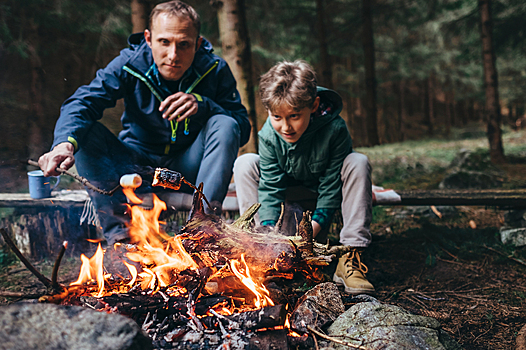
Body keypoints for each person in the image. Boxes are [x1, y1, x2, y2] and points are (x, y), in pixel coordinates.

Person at [38, 1, 250, 246]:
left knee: (225, 123)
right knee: (84, 132)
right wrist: (64, 144)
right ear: (148, 38)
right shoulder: (130, 64)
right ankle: (121, 241)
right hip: (134, 168)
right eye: (164, 42)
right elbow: (82, 102)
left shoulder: (215, 69)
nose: (173, 55)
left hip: (188, 172)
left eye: (184, 45)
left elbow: (240, 128)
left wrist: (205, 106)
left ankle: (202, 233)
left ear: (198, 43)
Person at [233, 60, 374, 295]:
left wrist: (309, 233)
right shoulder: (269, 133)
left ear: (314, 105)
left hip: (320, 196)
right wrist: (273, 237)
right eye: (277, 116)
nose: (286, 127)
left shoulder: (335, 129)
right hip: (286, 199)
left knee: (357, 162)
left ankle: (350, 255)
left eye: (295, 116)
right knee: (245, 163)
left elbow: (331, 186)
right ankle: (259, 249)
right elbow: (270, 185)